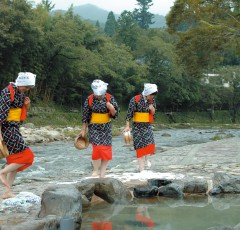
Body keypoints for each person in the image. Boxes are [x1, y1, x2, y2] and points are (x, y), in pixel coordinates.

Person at [0, 72, 36, 199]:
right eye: (26, 87)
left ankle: (7, 192)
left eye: (28, 88)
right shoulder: (7, 92)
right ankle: (2, 172)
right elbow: (1, 114)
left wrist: (27, 106)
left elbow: (19, 117)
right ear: (20, 83)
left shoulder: (20, 93)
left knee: (15, 161)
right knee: (28, 156)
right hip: (6, 129)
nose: (26, 90)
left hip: (14, 127)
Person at [78, 79, 119, 178]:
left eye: (100, 94)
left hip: (106, 127)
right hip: (94, 127)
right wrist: (83, 130)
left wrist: (112, 108)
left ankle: (102, 173)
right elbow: (86, 116)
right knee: (97, 148)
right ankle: (95, 170)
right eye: (97, 94)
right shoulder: (90, 99)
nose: (98, 96)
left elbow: (115, 115)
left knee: (106, 150)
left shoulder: (110, 98)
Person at [124, 83, 158, 172]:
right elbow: (129, 113)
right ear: (147, 93)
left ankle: (147, 159)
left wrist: (152, 109)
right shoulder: (135, 99)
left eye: (153, 95)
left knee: (150, 144)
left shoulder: (152, 101)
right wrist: (127, 125)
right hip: (137, 126)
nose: (152, 97)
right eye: (151, 95)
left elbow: (154, 113)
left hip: (147, 125)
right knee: (140, 147)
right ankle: (141, 169)